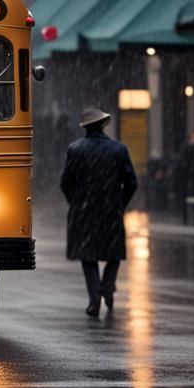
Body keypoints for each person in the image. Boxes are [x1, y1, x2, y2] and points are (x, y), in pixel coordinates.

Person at [59, 107, 139, 318]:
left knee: (88, 256)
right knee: (113, 253)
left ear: (85, 127)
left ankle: (94, 299)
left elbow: (65, 183)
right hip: (110, 210)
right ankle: (108, 286)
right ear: (103, 124)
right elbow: (131, 183)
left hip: (84, 211)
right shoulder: (118, 150)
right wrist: (120, 203)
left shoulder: (75, 149)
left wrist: (76, 203)